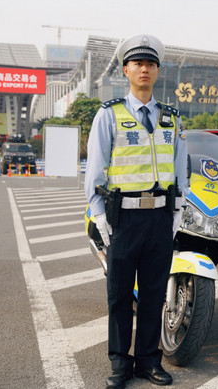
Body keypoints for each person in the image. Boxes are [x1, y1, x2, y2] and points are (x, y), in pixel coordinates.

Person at [85, 34, 189, 389]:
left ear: (157, 70)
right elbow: (95, 170)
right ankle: (119, 363)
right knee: (118, 295)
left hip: (160, 217)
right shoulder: (109, 115)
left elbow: (180, 168)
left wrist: (177, 210)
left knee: (153, 293)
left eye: (151, 64)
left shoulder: (171, 118)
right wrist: (98, 215)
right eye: (138, 64)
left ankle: (148, 361)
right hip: (123, 218)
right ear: (126, 69)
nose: (144, 69)